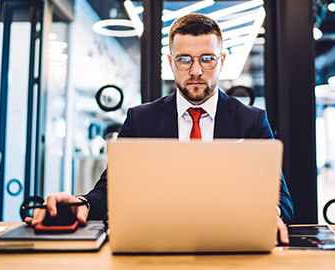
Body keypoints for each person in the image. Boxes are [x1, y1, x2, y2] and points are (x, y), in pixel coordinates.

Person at [26, 14, 294, 244]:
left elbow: (281, 197)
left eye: (207, 59)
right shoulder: (141, 120)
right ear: (170, 62)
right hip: (155, 244)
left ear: (222, 60)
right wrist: (79, 204)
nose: (196, 70)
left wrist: (269, 213)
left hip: (231, 243)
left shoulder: (252, 121)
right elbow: (111, 190)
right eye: (184, 59)